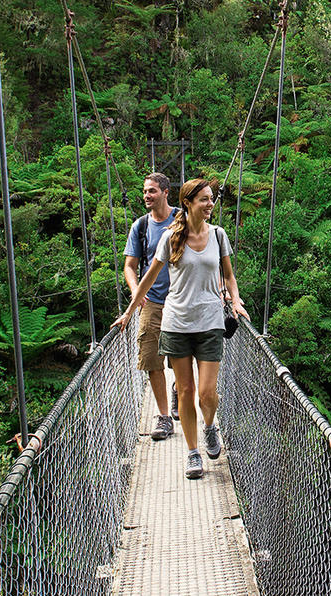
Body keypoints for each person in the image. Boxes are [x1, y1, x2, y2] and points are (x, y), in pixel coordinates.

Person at [115, 177, 249, 479]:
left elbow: (229, 276)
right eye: (204, 199)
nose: (210, 203)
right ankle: (192, 452)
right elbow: (148, 277)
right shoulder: (171, 238)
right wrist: (128, 312)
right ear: (188, 203)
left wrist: (236, 300)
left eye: (211, 198)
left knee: (206, 393)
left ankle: (210, 425)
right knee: (186, 391)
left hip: (211, 323)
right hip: (176, 324)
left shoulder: (218, 235)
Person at [124, 173, 179, 441]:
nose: (147, 196)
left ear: (166, 192)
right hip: (152, 301)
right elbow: (129, 266)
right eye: (145, 191)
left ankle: (179, 387)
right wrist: (136, 292)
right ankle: (164, 417)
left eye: (152, 191)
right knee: (150, 358)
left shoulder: (182, 220)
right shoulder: (141, 226)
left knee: (184, 356)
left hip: (182, 300)